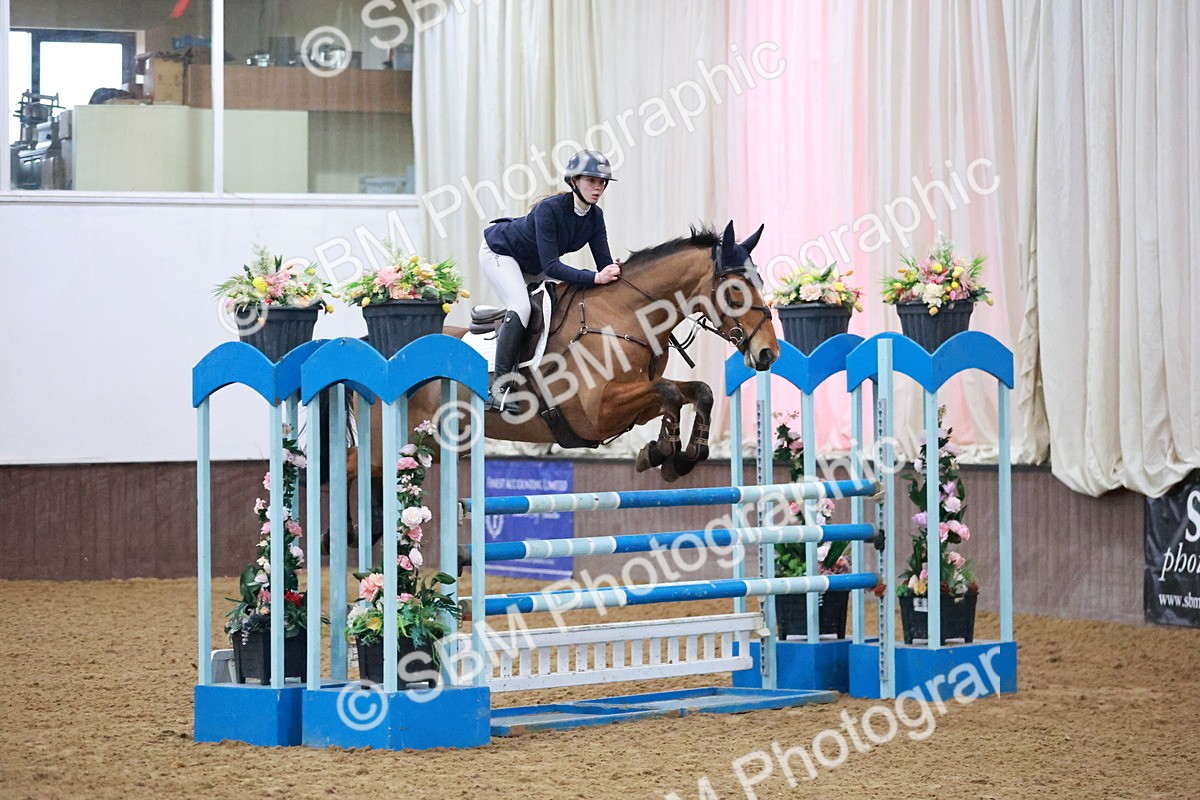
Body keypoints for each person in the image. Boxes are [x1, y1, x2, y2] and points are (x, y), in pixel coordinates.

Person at [479, 149, 622, 411]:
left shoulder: (595, 216)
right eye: (592, 180)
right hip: (501, 253)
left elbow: (604, 265)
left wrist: (617, 272)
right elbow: (552, 267)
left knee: (557, 307)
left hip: (533, 263)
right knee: (521, 307)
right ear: (574, 181)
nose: (598, 187)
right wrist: (595, 277)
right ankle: (498, 390)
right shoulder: (549, 210)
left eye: (602, 182)